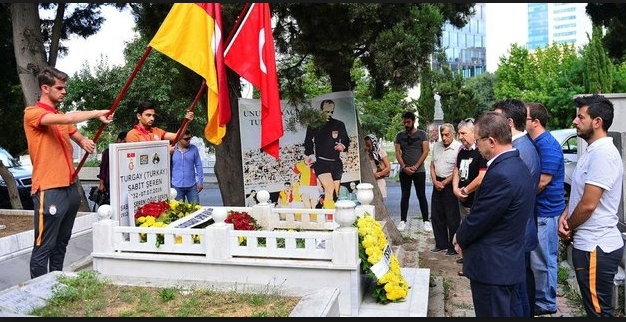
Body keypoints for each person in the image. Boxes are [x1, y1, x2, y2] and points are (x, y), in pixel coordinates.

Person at [23, 67, 114, 279]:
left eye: (65, 87)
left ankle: (55, 281)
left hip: (70, 187)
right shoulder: (33, 113)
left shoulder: (60, 115)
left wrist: (85, 141)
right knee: (44, 245)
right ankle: (39, 289)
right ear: (45, 88)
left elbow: (75, 133)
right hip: (49, 188)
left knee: (62, 242)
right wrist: (96, 113)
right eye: (59, 88)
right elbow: (66, 121)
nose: (64, 92)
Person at [453, 111, 536, 317]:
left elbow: (480, 218)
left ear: (491, 141)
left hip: (494, 269)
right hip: (508, 263)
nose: (476, 145)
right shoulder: (517, 165)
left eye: (478, 139)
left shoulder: (501, 174)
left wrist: (459, 237)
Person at [558, 94, 624, 317]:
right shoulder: (591, 151)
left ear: (597, 122)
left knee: (599, 313)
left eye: (580, 117)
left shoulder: (603, 154)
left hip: (597, 246)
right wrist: (566, 214)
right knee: (594, 310)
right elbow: (579, 195)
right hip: (588, 244)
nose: (575, 121)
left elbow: (588, 205)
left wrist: (569, 226)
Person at [493, 98, 541, 317]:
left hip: (518, 232)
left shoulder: (521, 151)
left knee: (518, 295)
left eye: (497, 118)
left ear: (509, 122)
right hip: (520, 231)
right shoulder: (521, 146)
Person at [525, 102, 566, 316]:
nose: (523, 120)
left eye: (526, 117)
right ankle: (542, 298)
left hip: (546, 211)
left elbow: (542, 181)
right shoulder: (537, 142)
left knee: (544, 259)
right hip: (540, 210)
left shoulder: (547, 145)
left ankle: (547, 302)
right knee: (539, 258)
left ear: (536, 122)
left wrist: (520, 197)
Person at [452, 117, 487, 269]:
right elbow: (456, 171)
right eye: (459, 134)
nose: (460, 137)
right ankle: (467, 260)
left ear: (474, 132)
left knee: (474, 232)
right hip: (462, 199)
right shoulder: (461, 151)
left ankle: (473, 264)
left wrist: (465, 190)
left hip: (475, 200)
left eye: (463, 133)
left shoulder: (480, 152)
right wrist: (455, 189)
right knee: (465, 228)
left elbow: (481, 177)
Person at [303, 99, 350, 209]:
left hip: (336, 163)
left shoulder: (339, 124)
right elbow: (308, 141)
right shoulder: (313, 124)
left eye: (331, 112)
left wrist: (342, 146)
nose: (329, 114)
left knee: (334, 194)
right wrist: (310, 155)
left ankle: (324, 207)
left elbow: (346, 140)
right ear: (321, 110)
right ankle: (330, 219)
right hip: (321, 162)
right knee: (329, 188)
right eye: (326, 111)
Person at [394, 111, 430, 232]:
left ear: (413, 121)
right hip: (405, 171)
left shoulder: (422, 134)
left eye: (408, 122)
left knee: (421, 195)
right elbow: (397, 153)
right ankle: (403, 221)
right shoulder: (399, 135)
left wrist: (415, 167)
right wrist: (404, 167)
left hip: (419, 171)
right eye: (404, 122)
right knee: (405, 196)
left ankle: (426, 221)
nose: (406, 124)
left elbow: (425, 151)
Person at [429, 123, 461, 256]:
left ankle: (451, 246)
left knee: (452, 217)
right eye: (442, 135)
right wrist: (435, 181)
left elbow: (456, 170)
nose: (444, 137)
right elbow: (432, 165)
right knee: (437, 215)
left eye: (447, 134)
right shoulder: (436, 146)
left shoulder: (458, 147)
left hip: (449, 184)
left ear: (452, 134)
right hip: (437, 183)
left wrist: (444, 182)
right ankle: (440, 243)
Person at [125, 101, 194, 154]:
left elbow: (177, 136)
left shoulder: (157, 131)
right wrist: (165, 152)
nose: (152, 118)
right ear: (139, 116)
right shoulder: (132, 134)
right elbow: (136, 157)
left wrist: (186, 122)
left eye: (153, 116)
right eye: (148, 115)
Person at [95, 131, 127, 208]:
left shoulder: (125, 151)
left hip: (122, 182)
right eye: (125, 141)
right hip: (109, 183)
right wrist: (101, 184)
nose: (126, 143)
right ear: (119, 140)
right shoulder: (108, 151)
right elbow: (103, 168)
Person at [171, 129, 203, 204]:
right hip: (176, 186)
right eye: (186, 139)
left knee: (195, 208)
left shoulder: (194, 149)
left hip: (191, 186)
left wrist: (200, 182)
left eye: (190, 138)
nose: (189, 140)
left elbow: (198, 165)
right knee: (178, 211)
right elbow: (168, 167)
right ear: (179, 138)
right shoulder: (172, 149)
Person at [364, 134, 391, 200]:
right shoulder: (364, 153)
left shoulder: (380, 152)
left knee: (380, 199)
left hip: (379, 179)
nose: (367, 148)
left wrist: (378, 175)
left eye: (369, 145)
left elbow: (388, 167)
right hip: (368, 180)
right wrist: (372, 176)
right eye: (366, 145)